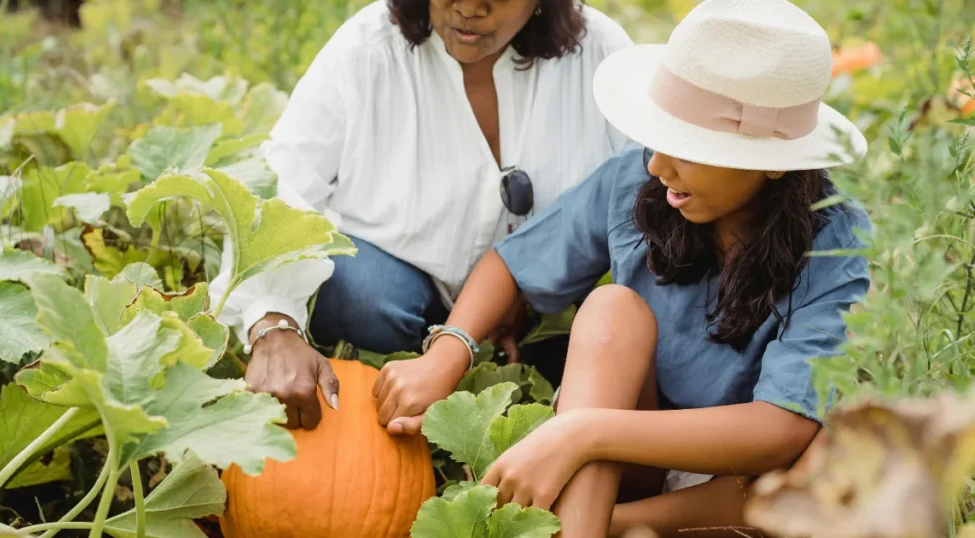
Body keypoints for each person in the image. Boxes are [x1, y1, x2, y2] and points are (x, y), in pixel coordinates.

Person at [372, 0, 871, 535]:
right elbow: (512, 263)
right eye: (660, 137)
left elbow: (780, 430)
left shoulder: (833, 239)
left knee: (836, 444)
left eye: (689, 147)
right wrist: (449, 351)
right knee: (612, 309)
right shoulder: (640, 182)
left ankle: (594, 525)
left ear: (772, 164)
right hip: (632, 453)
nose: (657, 164)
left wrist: (582, 433)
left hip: (739, 484)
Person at [207, 0, 634, 429]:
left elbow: (646, 201)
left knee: (598, 329)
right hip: (401, 300)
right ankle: (417, 374)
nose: (469, 8)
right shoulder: (366, 51)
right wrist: (272, 320)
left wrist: (527, 287)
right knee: (355, 292)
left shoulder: (600, 57)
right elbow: (284, 184)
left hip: (539, 316)